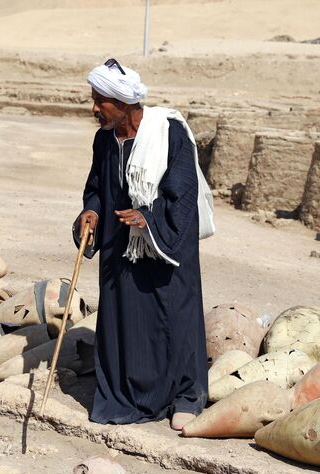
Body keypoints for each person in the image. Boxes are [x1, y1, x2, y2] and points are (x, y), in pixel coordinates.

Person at [74, 59, 215, 431]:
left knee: (171, 319)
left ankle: (184, 395)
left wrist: (148, 220)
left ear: (124, 104)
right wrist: (91, 212)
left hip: (161, 246)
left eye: (100, 101)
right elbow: (97, 187)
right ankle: (125, 393)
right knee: (124, 321)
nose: (94, 109)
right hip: (120, 247)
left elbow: (182, 194)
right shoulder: (104, 139)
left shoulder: (169, 132)